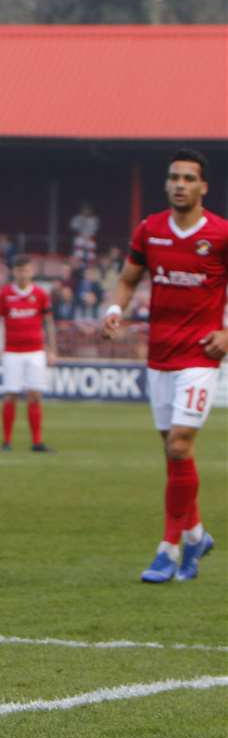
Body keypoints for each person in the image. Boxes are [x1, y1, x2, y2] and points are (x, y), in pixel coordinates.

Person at [103, 149, 225, 583]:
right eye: (174, 177)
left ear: (203, 187)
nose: (180, 184)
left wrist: (227, 334)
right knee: (175, 456)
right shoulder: (149, 230)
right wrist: (115, 307)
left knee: (178, 444)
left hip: (200, 357)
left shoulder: (221, 234)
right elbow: (129, 278)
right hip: (159, 357)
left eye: (189, 178)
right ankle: (195, 534)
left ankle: (167, 548)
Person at [0, 256, 56, 453]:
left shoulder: (41, 294)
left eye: (26, 270)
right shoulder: (5, 294)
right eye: (19, 270)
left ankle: (37, 442)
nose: (23, 274)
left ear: (31, 271)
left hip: (35, 351)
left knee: (35, 395)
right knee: (11, 394)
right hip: (12, 352)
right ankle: (6, 441)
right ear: (14, 272)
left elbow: (49, 323)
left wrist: (52, 349)